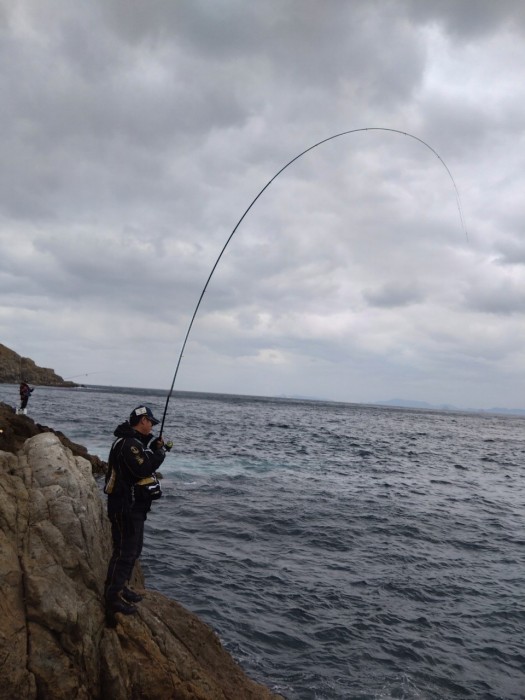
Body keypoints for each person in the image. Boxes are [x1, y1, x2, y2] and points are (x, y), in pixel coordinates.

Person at [103, 405, 171, 624]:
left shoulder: (132, 442)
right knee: (124, 552)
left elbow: (141, 454)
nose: (151, 425)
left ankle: (122, 588)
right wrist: (160, 452)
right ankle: (112, 598)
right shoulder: (128, 445)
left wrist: (152, 445)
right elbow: (142, 468)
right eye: (150, 421)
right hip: (125, 507)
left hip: (134, 507)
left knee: (133, 550)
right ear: (142, 421)